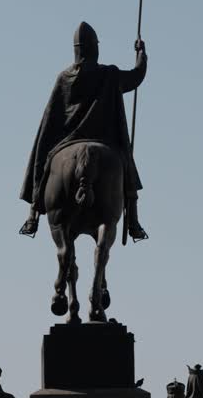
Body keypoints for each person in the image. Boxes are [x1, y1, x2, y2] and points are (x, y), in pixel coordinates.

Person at [20, 21, 148, 241]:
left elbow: (50, 122)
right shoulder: (109, 74)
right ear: (95, 48)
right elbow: (136, 76)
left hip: (66, 142)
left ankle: (34, 212)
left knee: (44, 150)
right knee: (125, 165)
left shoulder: (64, 78)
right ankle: (134, 221)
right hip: (104, 142)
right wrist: (141, 54)